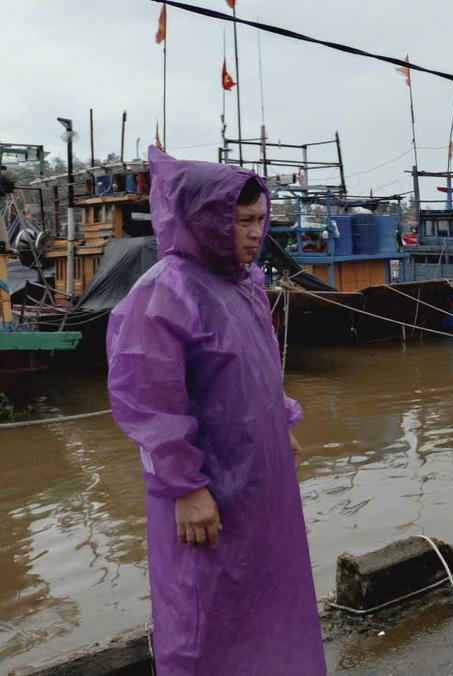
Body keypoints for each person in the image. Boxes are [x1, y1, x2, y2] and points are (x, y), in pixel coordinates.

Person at [106, 147, 325, 675]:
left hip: (258, 486)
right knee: (204, 615)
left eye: (259, 220)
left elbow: (258, 368)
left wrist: (282, 422)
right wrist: (185, 487)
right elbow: (149, 400)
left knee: (267, 599)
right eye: (241, 221)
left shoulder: (244, 283)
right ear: (207, 220)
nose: (254, 233)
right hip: (207, 492)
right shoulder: (164, 291)